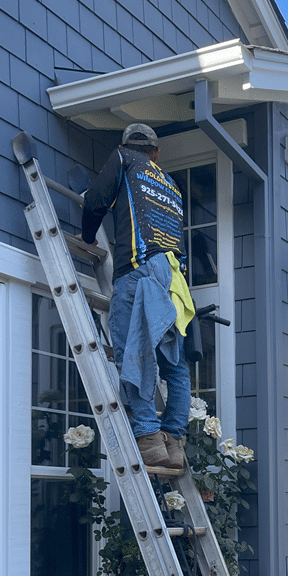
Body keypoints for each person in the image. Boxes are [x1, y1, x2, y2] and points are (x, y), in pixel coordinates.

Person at [82, 123, 194, 470]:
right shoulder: (171, 185)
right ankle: (173, 441)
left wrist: (88, 236)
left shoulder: (124, 159)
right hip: (174, 276)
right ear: (156, 153)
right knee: (174, 360)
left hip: (139, 268)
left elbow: (98, 198)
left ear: (128, 145)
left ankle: (148, 436)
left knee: (133, 348)